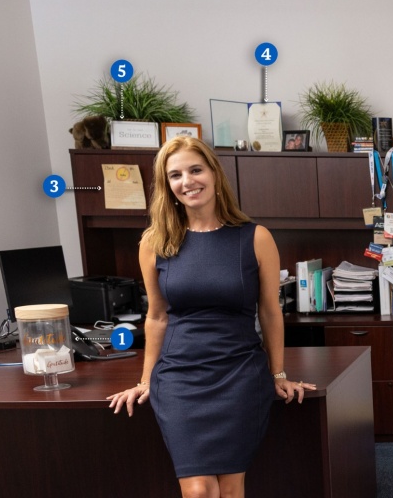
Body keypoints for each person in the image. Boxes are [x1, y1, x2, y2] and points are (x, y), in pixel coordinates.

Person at [107, 136, 316, 498]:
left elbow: (269, 311)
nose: (187, 181)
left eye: (195, 170)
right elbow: (156, 318)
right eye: (175, 175)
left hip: (238, 373)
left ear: (214, 174)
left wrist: (277, 373)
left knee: (232, 488)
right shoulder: (154, 243)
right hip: (179, 378)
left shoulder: (255, 238)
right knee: (200, 490)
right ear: (167, 186)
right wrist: (145, 379)